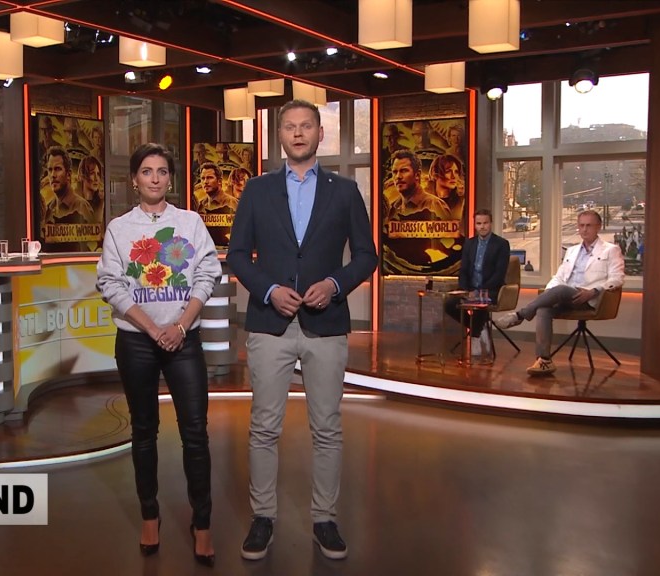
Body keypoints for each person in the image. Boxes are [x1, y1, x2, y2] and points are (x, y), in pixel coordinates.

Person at [227, 99, 378, 561]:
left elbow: (367, 256)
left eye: (306, 126)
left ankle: (324, 519)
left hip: (325, 326)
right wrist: (269, 289)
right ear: (279, 135)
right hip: (269, 324)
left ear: (319, 133)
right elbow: (237, 256)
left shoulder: (345, 191)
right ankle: (263, 517)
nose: (297, 133)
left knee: (327, 427)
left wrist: (334, 285)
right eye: (290, 127)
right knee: (263, 427)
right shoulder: (256, 190)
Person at [96, 143, 221, 566]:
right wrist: (152, 329)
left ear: (170, 178)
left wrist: (181, 326)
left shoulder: (190, 222)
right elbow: (110, 284)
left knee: (195, 432)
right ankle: (150, 515)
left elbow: (207, 273)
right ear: (134, 179)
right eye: (147, 171)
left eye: (162, 171)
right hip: (137, 342)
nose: (155, 178)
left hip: (184, 340)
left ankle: (202, 523)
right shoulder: (119, 229)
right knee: (144, 430)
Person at [497, 210, 624, 376]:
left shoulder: (611, 250)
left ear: (598, 227)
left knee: (559, 291)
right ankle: (544, 360)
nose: (584, 229)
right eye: (581, 225)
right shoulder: (572, 251)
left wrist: (593, 291)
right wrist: (549, 294)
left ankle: (520, 315)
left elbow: (617, 278)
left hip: (591, 299)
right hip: (565, 296)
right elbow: (559, 277)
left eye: (589, 225)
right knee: (544, 308)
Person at [444, 209, 511, 354]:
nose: (482, 227)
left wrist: (479, 291)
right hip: (470, 289)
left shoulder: (501, 244)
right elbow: (463, 270)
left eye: (485, 223)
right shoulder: (469, 243)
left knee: (480, 303)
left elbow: (499, 274)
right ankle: (480, 328)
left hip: (491, 289)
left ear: (491, 223)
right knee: (449, 304)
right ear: (474, 225)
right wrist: (465, 290)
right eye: (479, 223)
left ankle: (474, 337)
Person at [42, 146, 95, 251]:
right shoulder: (49, 209)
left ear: (68, 174)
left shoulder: (81, 206)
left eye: (58, 169)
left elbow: (91, 247)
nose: (53, 175)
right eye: (50, 170)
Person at [384, 149, 451, 222]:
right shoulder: (393, 209)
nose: (398, 176)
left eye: (404, 170)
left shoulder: (434, 204)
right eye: (395, 172)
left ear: (417, 175)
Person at [429, 153, 466, 221]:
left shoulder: (462, 201)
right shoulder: (426, 200)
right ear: (435, 174)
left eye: (456, 172)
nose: (453, 176)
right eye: (448, 171)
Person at [78, 155, 105, 223]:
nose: (96, 178)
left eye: (98, 174)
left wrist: (101, 203)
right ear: (83, 175)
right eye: (92, 173)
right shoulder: (76, 203)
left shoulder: (102, 202)